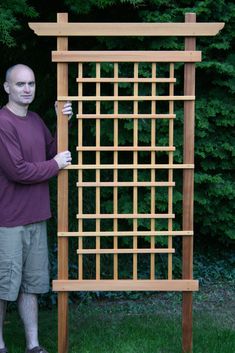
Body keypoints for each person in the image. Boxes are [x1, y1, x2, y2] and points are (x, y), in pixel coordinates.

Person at [0, 64, 73, 353]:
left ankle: (33, 345)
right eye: (20, 84)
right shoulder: (3, 123)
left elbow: (55, 150)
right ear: (7, 88)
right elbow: (18, 170)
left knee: (31, 285)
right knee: (4, 286)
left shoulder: (35, 121)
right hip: (9, 221)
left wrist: (62, 121)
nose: (27, 88)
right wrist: (55, 165)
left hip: (37, 217)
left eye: (31, 83)